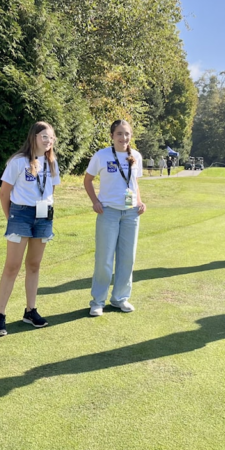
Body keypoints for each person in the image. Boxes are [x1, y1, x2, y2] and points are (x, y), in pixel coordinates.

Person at [0, 122, 60, 337]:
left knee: (34, 265)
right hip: (20, 214)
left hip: (44, 213)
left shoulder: (52, 163)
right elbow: (4, 194)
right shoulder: (18, 162)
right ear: (33, 137)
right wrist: (11, 218)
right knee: (12, 266)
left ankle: (30, 311)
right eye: (43, 136)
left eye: (50, 137)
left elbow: (52, 189)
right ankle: (0, 316)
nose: (47, 141)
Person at [84, 120, 146, 316]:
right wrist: (95, 201)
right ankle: (98, 301)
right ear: (112, 136)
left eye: (127, 134)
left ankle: (120, 298)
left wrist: (140, 201)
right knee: (104, 259)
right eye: (119, 134)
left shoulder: (135, 156)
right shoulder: (101, 155)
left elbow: (134, 182)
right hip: (108, 212)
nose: (123, 138)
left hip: (131, 214)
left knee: (127, 258)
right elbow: (87, 180)